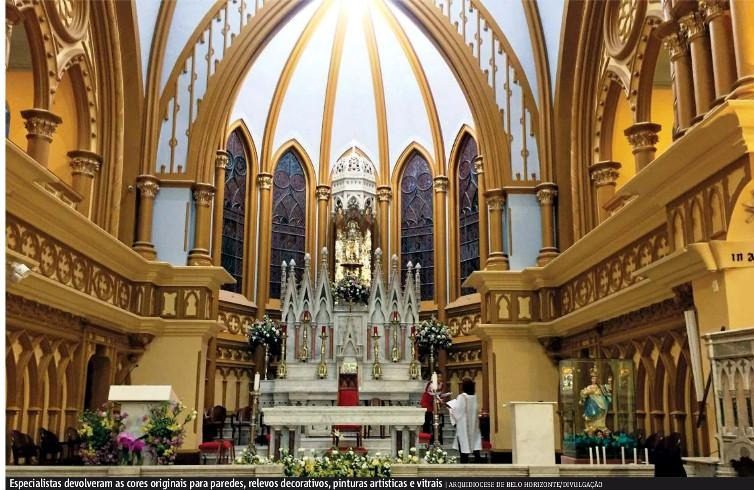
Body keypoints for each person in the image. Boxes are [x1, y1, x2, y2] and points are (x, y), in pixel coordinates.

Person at [448, 377, 482, 463]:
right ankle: (479, 467)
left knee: (463, 450)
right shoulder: (474, 397)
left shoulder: (462, 397)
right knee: (475, 449)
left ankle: (463, 468)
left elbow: (457, 411)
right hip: (474, 427)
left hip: (463, 427)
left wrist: (450, 409)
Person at [579, 367, 612, 434]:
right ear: (591, 379)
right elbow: (583, 394)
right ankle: (591, 428)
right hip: (591, 405)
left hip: (601, 405)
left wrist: (609, 384)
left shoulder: (601, 387)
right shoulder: (589, 387)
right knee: (592, 418)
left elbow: (606, 393)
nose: (594, 380)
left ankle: (600, 428)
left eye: (595, 378)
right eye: (593, 378)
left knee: (600, 417)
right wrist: (584, 394)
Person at [420, 373, 445, 444]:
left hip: (434, 405)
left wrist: (441, 398)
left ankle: (435, 438)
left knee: (434, 424)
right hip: (427, 404)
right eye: (439, 377)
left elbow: (439, 394)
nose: (440, 378)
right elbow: (431, 393)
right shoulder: (431, 384)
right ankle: (426, 440)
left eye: (441, 377)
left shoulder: (441, 384)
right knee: (427, 423)